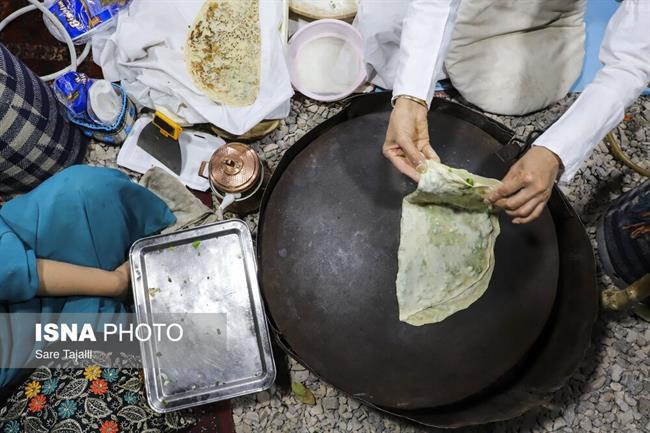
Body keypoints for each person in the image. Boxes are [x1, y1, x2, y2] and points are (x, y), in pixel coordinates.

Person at [369, 0, 650, 223]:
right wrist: (412, 96)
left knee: (509, 94)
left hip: (555, 12)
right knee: (379, 27)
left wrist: (556, 150)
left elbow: (631, 63)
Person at [0, 165, 175, 390]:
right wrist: (117, 282)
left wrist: (114, 282)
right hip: (34, 350)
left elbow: (12, 270)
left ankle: (155, 231)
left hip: (23, 252)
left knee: (84, 188)